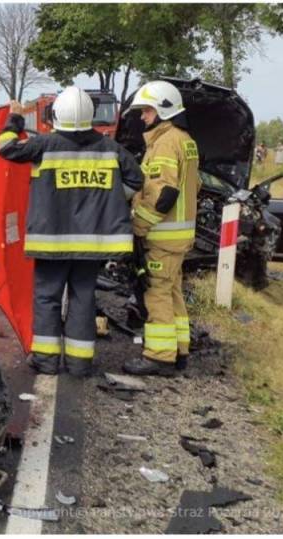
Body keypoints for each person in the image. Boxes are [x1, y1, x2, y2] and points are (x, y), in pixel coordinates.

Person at [0, 87, 143, 377]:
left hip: (51, 242)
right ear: (90, 115)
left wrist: (14, 118)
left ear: (56, 116)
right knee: (83, 299)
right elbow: (136, 179)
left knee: (47, 298)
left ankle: (47, 361)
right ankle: (79, 363)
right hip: (92, 244)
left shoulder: (45, 144)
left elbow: (5, 147)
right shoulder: (109, 148)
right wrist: (109, 200)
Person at [120, 81, 200, 376]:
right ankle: (179, 351)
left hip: (162, 236)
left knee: (157, 295)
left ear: (163, 110)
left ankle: (159, 356)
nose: (142, 117)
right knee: (173, 291)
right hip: (179, 237)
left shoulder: (165, 142)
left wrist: (138, 226)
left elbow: (162, 194)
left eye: (147, 111)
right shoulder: (185, 140)